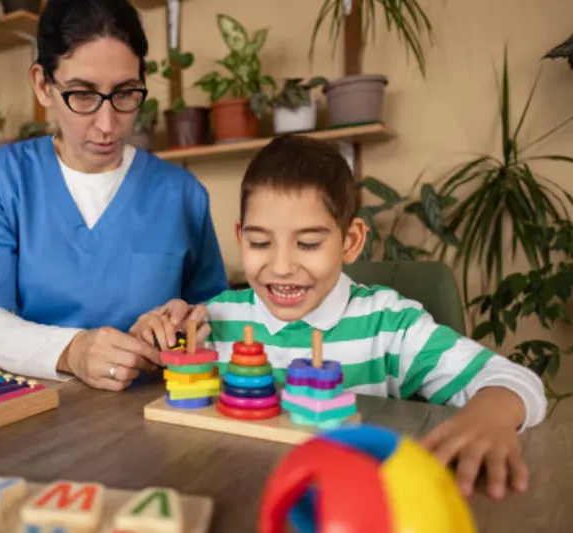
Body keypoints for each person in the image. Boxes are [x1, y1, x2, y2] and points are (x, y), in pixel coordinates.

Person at [132, 135, 547, 501]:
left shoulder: (388, 325)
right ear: (241, 238)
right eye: (260, 242)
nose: (280, 266)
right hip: (242, 497)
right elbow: (171, 369)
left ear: (350, 242)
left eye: (308, 243)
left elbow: (513, 380)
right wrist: (161, 334)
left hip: (349, 504)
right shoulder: (219, 316)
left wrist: (489, 417)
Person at [0, 0, 228, 391]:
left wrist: (185, 322)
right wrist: (71, 351)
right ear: (43, 85)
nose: (107, 124)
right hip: (35, 408)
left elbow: (216, 314)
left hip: (157, 411)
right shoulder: (1, 180)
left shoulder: (181, 194)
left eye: (126, 94)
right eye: (82, 95)